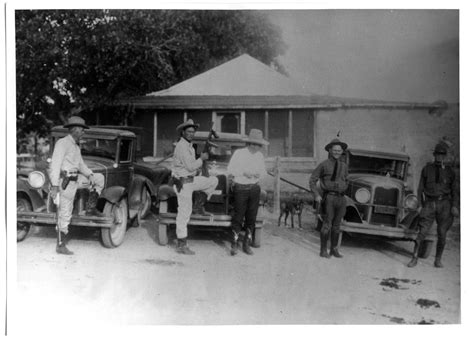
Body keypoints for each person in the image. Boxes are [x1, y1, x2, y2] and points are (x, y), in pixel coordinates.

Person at [49, 116, 105, 255]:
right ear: (74, 129)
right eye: (82, 130)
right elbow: (54, 165)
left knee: (99, 178)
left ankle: (90, 207)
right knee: (65, 211)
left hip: (76, 180)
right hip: (65, 182)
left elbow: (81, 165)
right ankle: (60, 244)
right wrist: (55, 186)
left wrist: (91, 175)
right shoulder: (62, 143)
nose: (83, 132)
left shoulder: (75, 146)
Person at [407, 142, 460, 268]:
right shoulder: (427, 169)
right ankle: (414, 258)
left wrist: (454, 206)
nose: (439, 157)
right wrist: (419, 204)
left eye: (442, 155)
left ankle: (438, 259)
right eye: (437, 154)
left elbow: (455, 191)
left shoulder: (450, 172)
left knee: (442, 233)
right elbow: (420, 189)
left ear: (445, 156)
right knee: (422, 231)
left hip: (445, 205)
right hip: (429, 203)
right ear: (434, 155)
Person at [171, 119, 218, 255]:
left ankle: (198, 205)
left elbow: (191, 168)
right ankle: (181, 244)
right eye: (188, 131)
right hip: (183, 183)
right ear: (183, 132)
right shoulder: (181, 146)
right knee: (184, 214)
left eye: (193, 132)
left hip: (190, 180)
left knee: (213, 181)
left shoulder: (189, 145)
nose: (191, 134)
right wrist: (202, 159)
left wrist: (197, 169)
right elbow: (191, 166)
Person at [227, 129, 268, 256]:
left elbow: (264, 172)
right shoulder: (239, 153)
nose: (256, 147)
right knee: (238, 216)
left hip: (254, 188)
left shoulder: (260, 156)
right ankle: (234, 244)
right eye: (254, 144)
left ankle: (246, 244)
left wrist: (258, 174)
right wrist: (244, 172)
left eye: (258, 145)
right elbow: (230, 169)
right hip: (241, 188)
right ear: (249, 143)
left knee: (251, 217)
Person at [309, 138, 349, 259]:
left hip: (341, 199)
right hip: (329, 198)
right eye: (334, 150)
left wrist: (343, 188)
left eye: (339, 150)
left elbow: (346, 180)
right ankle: (323, 250)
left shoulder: (344, 166)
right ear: (330, 150)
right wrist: (316, 195)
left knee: (337, 225)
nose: (337, 152)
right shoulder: (324, 165)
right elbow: (312, 180)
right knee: (327, 224)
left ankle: (334, 249)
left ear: (342, 151)